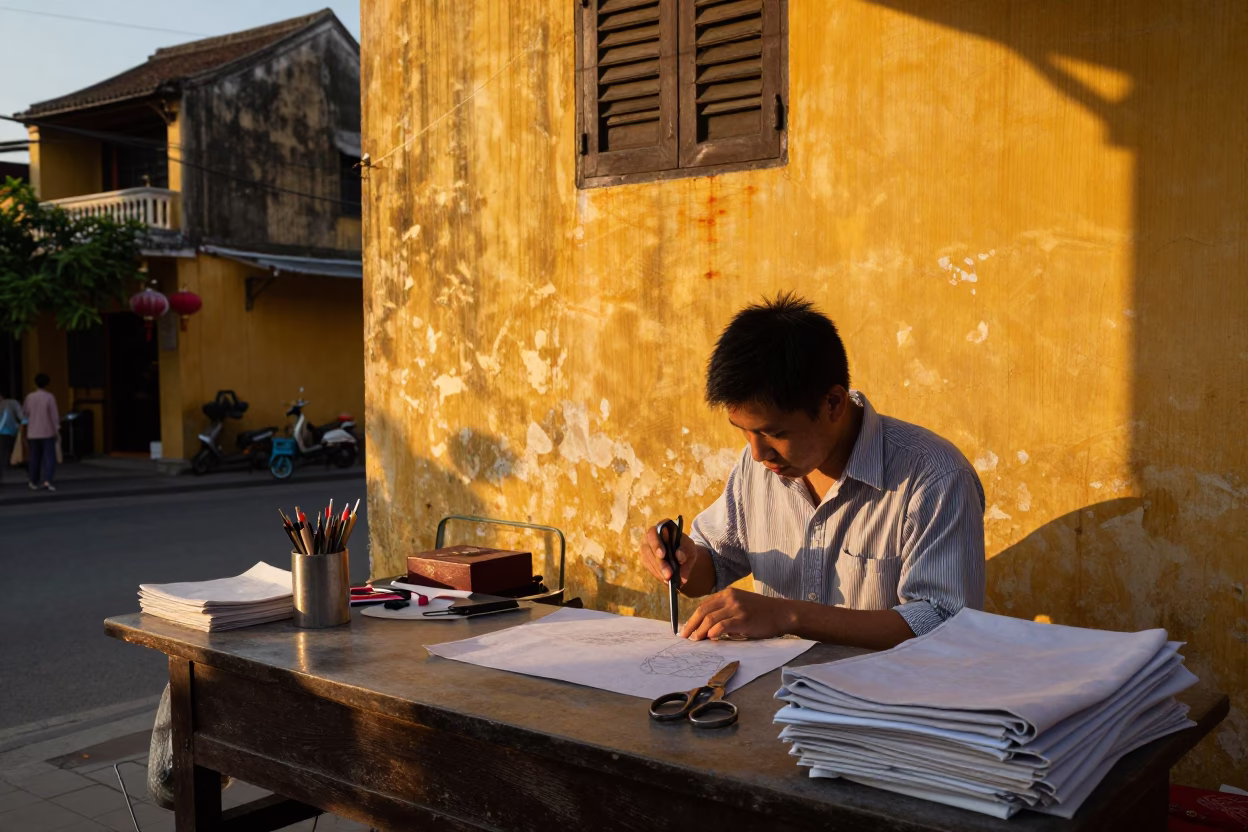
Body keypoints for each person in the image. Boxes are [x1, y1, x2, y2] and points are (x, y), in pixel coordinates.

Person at [638, 294, 985, 649]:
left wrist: (788, 616)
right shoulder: (756, 467)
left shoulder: (934, 478)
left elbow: (943, 625)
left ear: (832, 403)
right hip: (776, 691)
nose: (758, 453)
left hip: (885, 698)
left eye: (776, 432)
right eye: (743, 430)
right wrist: (680, 560)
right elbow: (712, 564)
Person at [23, 373, 59, 492]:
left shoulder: (29, 397)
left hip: (33, 432)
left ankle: (33, 481)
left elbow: (26, 413)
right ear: (47, 384)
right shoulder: (49, 397)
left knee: (34, 458)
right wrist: (57, 430)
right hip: (47, 432)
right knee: (49, 457)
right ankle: (47, 480)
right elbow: (54, 416)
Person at [0, 389, 22, 482]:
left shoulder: (5, 405)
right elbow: (21, 416)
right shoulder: (13, 403)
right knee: (8, 451)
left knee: (2, 453)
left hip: (3, 431)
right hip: (10, 431)